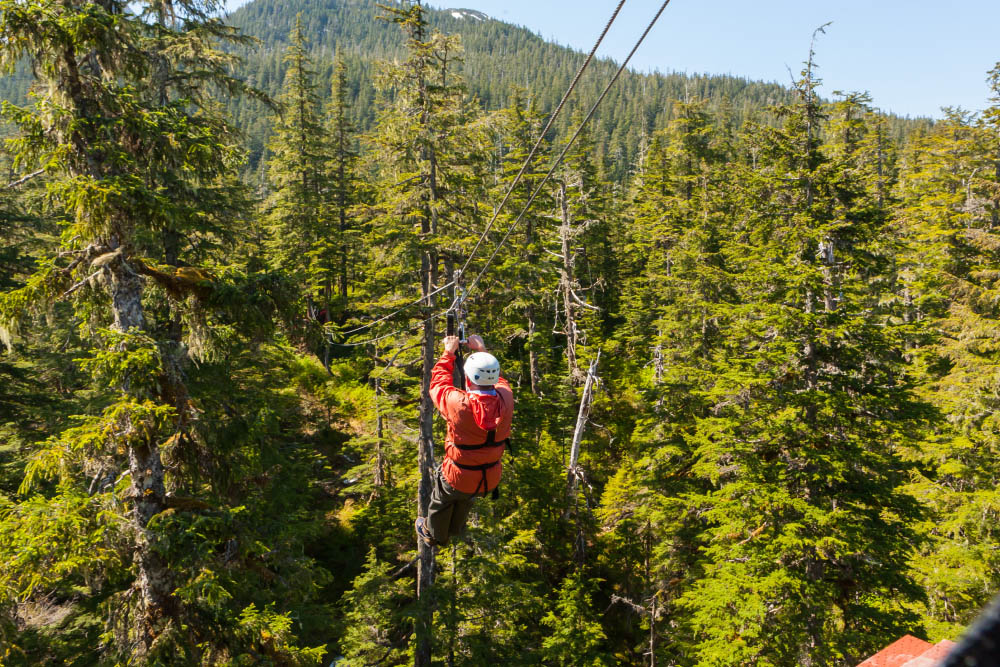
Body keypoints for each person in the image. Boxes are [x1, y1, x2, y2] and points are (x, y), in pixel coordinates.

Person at [415, 334, 514, 547]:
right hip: (488, 477)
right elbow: (499, 380)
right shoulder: (506, 398)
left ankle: (435, 535)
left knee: (441, 500)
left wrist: (448, 353)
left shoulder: (459, 404)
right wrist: (482, 351)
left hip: (458, 475)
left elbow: (438, 384)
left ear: (468, 379)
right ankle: (454, 529)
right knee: (464, 497)